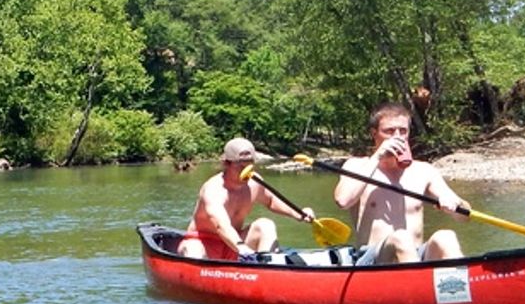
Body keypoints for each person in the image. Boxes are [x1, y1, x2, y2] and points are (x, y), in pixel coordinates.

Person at [334, 103, 469, 264]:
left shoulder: (424, 170)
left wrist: (456, 205)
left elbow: (464, 217)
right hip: (372, 258)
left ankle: (459, 285)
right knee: (400, 237)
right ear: (374, 133)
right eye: (389, 131)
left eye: (403, 131)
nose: (398, 137)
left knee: (446, 237)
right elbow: (343, 201)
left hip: (415, 255)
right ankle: (418, 286)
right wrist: (378, 156)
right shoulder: (356, 165)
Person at [178, 138, 315, 261]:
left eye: (250, 164)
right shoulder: (213, 190)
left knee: (265, 225)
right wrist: (241, 247)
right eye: (241, 166)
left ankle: (266, 268)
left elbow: (271, 201)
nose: (247, 171)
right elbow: (221, 225)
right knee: (192, 250)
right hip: (203, 242)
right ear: (226, 163)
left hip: (235, 243)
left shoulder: (254, 182)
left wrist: (298, 214)